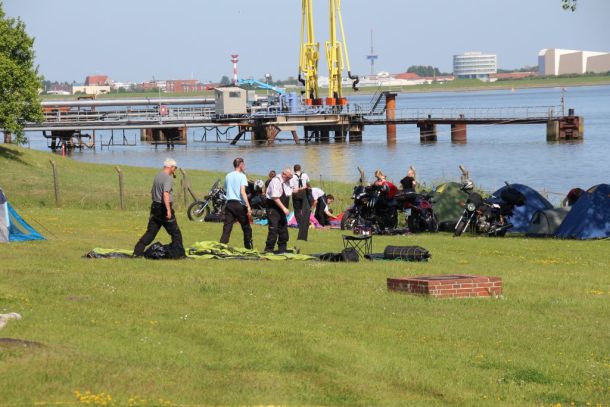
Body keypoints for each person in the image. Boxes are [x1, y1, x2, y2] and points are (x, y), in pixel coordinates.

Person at [134, 158, 185, 258]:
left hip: (155, 207)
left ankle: (137, 252)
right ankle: (179, 254)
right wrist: (168, 210)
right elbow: (165, 194)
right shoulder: (168, 178)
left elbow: (152, 192)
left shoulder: (157, 176)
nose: (175, 170)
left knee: (151, 233)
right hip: (163, 208)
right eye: (175, 168)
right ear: (171, 167)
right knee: (175, 233)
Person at [219, 157, 253, 249]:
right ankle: (248, 248)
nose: (244, 166)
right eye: (243, 164)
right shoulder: (242, 176)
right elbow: (243, 192)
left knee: (227, 227)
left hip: (229, 204)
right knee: (246, 227)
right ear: (240, 165)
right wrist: (248, 206)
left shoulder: (228, 175)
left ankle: (221, 246)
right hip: (239, 205)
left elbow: (226, 189)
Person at [264, 168, 293, 253]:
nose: (289, 179)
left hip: (281, 210)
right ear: (283, 174)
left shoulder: (287, 181)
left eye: (290, 178)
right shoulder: (276, 181)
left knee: (283, 230)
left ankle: (282, 250)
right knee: (273, 230)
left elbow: (291, 190)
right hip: (273, 208)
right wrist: (284, 208)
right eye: (288, 177)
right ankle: (268, 250)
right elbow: (275, 197)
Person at [290, 164, 311, 241]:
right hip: (303, 193)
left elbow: (291, 187)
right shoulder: (305, 175)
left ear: (294, 169)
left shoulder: (292, 177)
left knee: (297, 211)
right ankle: (305, 224)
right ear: (300, 169)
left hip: (296, 194)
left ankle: (300, 224)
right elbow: (308, 183)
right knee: (304, 210)